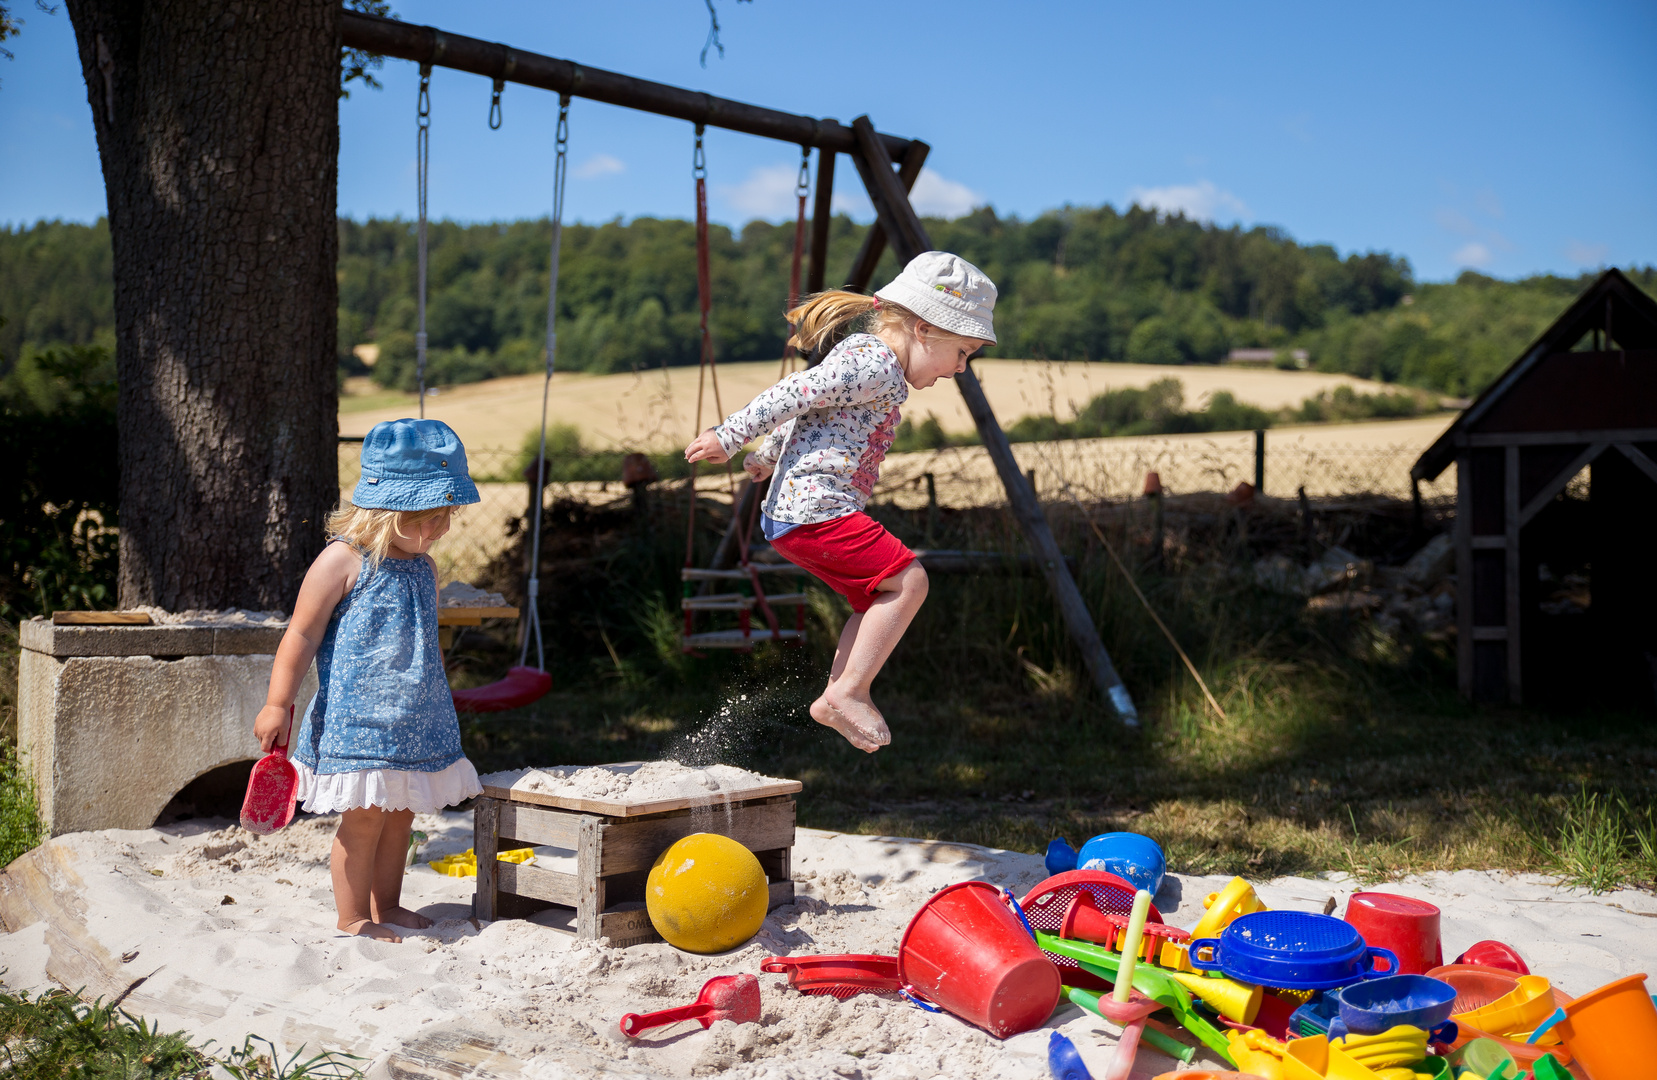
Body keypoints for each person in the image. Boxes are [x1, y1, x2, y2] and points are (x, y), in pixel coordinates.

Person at [684, 251, 997, 753]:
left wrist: (767, 454)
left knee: (880, 596)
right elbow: (794, 390)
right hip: (815, 510)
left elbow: (810, 408)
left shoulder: (875, 366)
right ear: (925, 330)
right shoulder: (871, 362)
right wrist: (731, 435)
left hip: (800, 514)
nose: (961, 367)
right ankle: (848, 691)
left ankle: (838, 694)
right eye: (963, 351)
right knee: (909, 580)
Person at [254, 418, 484, 942]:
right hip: (358, 725)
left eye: (445, 515)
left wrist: (439, 698)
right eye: (425, 517)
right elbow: (301, 636)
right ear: (384, 510)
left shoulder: (424, 569)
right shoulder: (342, 561)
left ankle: (390, 905)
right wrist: (277, 703)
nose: (438, 529)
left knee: (401, 818)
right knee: (364, 822)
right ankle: (353, 916)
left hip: (414, 722)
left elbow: (425, 644)